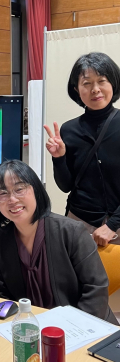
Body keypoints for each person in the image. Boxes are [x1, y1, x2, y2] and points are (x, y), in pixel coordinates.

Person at [0, 160, 116, 324]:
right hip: (30, 327)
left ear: (36, 189)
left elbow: (96, 288)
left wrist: (71, 328)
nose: (12, 199)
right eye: (2, 193)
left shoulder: (71, 231)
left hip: (84, 325)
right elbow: (3, 295)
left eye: (19, 189)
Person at [44, 52, 120, 247]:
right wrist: (58, 158)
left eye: (101, 81)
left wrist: (112, 224)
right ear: (77, 89)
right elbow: (66, 186)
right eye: (87, 83)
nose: (95, 89)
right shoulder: (69, 130)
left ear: (113, 83)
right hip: (80, 222)